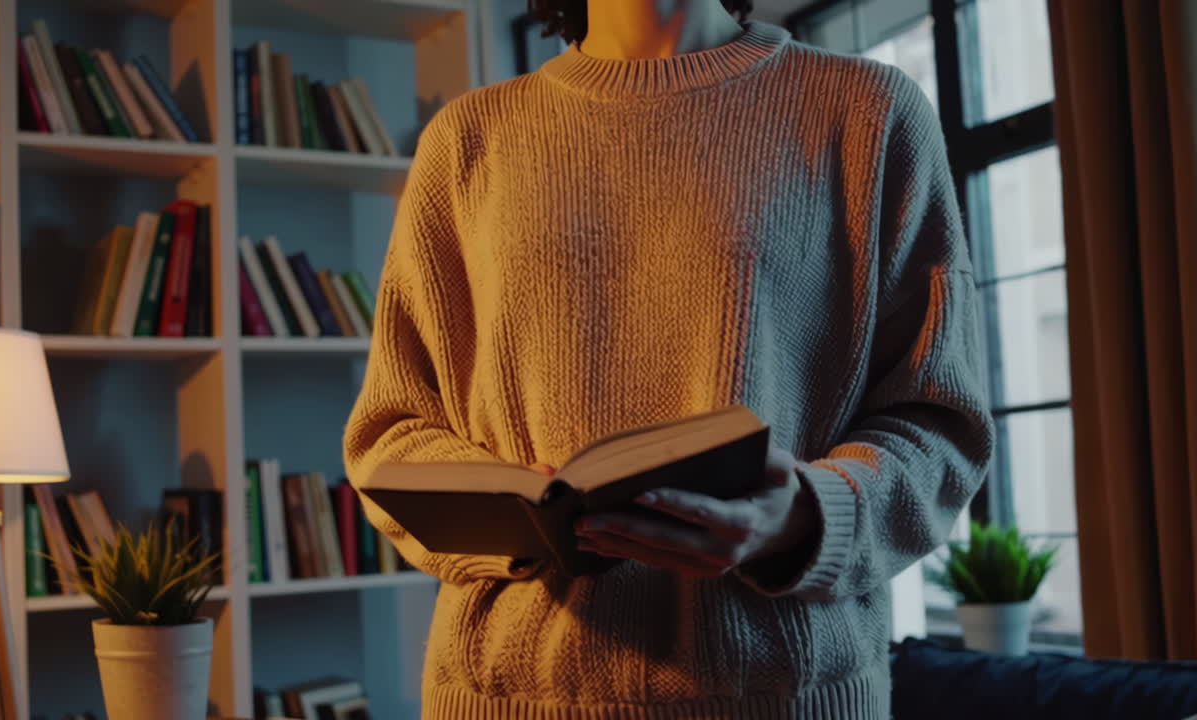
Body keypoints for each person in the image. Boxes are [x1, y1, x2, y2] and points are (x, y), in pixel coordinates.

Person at [343, 0, 995, 717]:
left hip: (780, 695)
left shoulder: (869, 112)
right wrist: (518, 511)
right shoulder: (468, 140)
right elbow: (393, 430)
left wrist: (806, 517)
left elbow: (940, 424)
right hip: (510, 693)